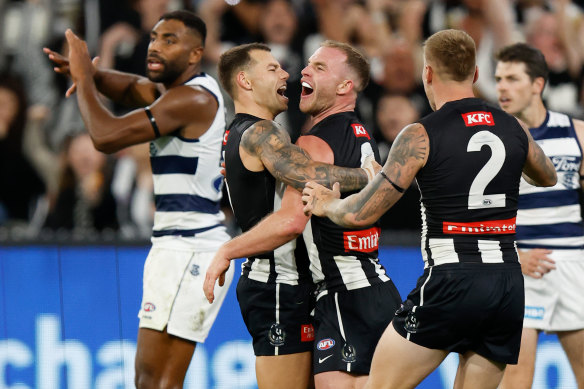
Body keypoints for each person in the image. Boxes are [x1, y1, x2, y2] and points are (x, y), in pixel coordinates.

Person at [301, 29, 558, 389]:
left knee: (380, 385)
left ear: (428, 73)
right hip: (506, 286)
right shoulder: (512, 127)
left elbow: (361, 213)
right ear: (476, 75)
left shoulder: (420, 135)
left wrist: (329, 204)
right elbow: (547, 176)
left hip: (452, 280)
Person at [44, 11, 234, 388]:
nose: (155, 47)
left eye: (169, 40)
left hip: (194, 248)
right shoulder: (177, 93)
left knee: (161, 380)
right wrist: (93, 76)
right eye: (153, 37)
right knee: (149, 380)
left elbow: (105, 136)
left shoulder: (191, 100)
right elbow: (131, 87)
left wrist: (84, 80)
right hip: (175, 245)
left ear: (196, 54)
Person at [205, 40, 402, 389]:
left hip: (303, 286)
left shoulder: (264, 133)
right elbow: (303, 191)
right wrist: (373, 176)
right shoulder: (261, 132)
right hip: (277, 284)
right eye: (272, 69)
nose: (289, 73)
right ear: (245, 82)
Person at [494, 42, 584, 389]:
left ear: (537, 84)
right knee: (516, 379)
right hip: (521, 267)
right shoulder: (492, 140)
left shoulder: (576, 133)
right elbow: (476, 213)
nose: (502, 87)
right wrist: (514, 255)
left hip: (573, 264)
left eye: (513, 78)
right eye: (499, 78)